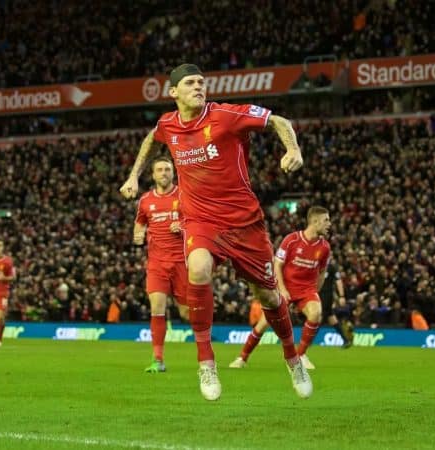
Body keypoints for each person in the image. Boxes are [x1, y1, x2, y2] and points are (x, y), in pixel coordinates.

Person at [120, 63, 311, 401]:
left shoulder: (225, 115)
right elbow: (152, 138)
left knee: (268, 296)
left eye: (201, 82)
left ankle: (292, 357)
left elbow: (279, 121)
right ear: (173, 92)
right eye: (190, 83)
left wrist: (293, 149)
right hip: (200, 219)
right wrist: (134, 175)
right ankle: (206, 362)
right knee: (198, 268)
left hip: (244, 223)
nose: (198, 87)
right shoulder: (168, 124)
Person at [229, 206, 331, 370]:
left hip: (306, 291)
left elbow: (322, 272)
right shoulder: (291, 239)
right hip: (286, 287)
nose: (329, 224)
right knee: (263, 324)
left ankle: (301, 355)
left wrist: (314, 292)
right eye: (326, 220)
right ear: (315, 221)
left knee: (316, 312)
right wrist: (282, 290)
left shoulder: (325, 247)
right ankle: (242, 357)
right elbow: (277, 265)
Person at [134, 156, 189, 373]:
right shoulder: (146, 200)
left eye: (167, 169)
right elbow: (139, 223)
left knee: (187, 313)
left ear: (173, 173)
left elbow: (199, 221)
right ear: (153, 174)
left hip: (181, 263)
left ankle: (205, 347)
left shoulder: (184, 196)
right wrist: (138, 234)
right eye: (160, 170)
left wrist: (183, 226)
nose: (164, 173)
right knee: (157, 308)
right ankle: (158, 359)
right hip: (157, 264)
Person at [320, 257, 354, 348]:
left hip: (327, 296)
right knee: (331, 318)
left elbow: (338, 281)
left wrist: (341, 296)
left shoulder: (332, 267)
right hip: (318, 295)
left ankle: (306, 342)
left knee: (320, 317)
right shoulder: (317, 266)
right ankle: (346, 340)